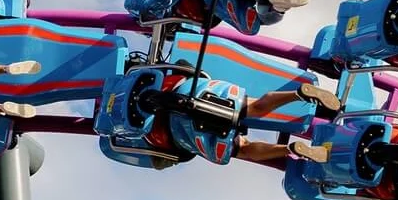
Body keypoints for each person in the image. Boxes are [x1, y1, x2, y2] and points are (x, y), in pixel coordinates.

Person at [138, 71, 343, 164]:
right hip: (188, 91)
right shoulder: (142, 73)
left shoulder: (120, 130)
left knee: (244, 150)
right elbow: (182, 67)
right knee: (255, 106)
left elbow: (162, 160)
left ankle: (292, 150)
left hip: (180, 131)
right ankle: (298, 94)